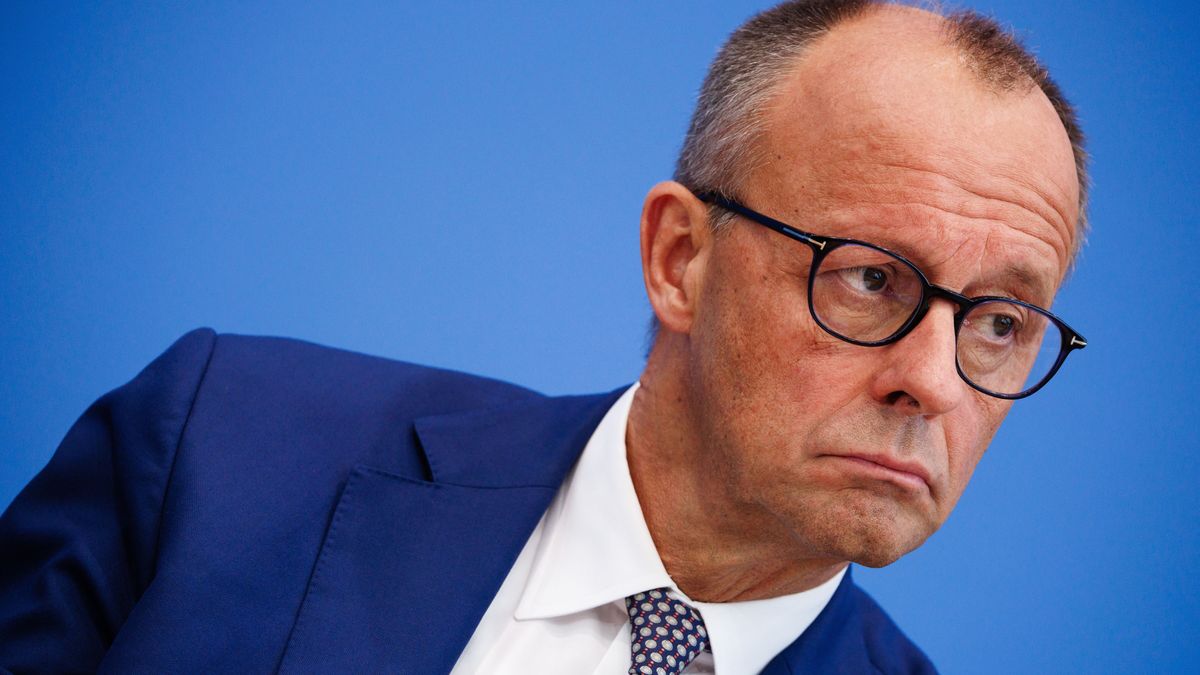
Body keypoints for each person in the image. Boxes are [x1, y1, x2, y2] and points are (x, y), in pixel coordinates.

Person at [0, 1, 1089, 672]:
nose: (932, 381)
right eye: (870, 279)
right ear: (680, 259)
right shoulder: (218, 445)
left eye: (1000, 321)